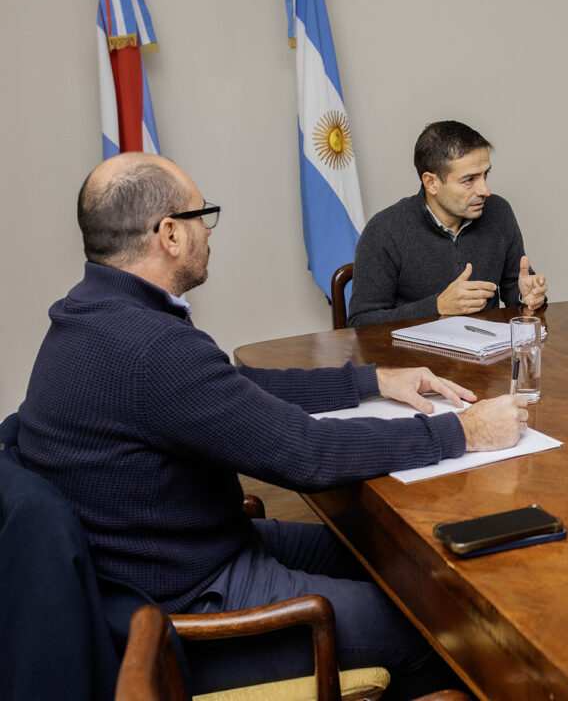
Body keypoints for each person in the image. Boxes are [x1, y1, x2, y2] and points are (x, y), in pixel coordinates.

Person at [17, 152, 530, 699]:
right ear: (169, 234)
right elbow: (305, 455)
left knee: (396, 561)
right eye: (201, 217)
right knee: (440, 630)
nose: (208, 233)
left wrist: (370, 381)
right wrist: (463, 432)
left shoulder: (91, 314)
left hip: (175, 555)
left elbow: (233, 390)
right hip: (189, 602)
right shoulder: (150, 348)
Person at [348, 120, 547, 327]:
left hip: (489, 354)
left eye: (485, 174)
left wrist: (528, 296)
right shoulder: (385, 230)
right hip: (415, 358)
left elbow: (515, 288)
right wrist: (438, 306)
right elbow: (361, 323)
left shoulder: (498, 212)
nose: (485, 190)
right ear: (431, 183)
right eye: (469, 180)